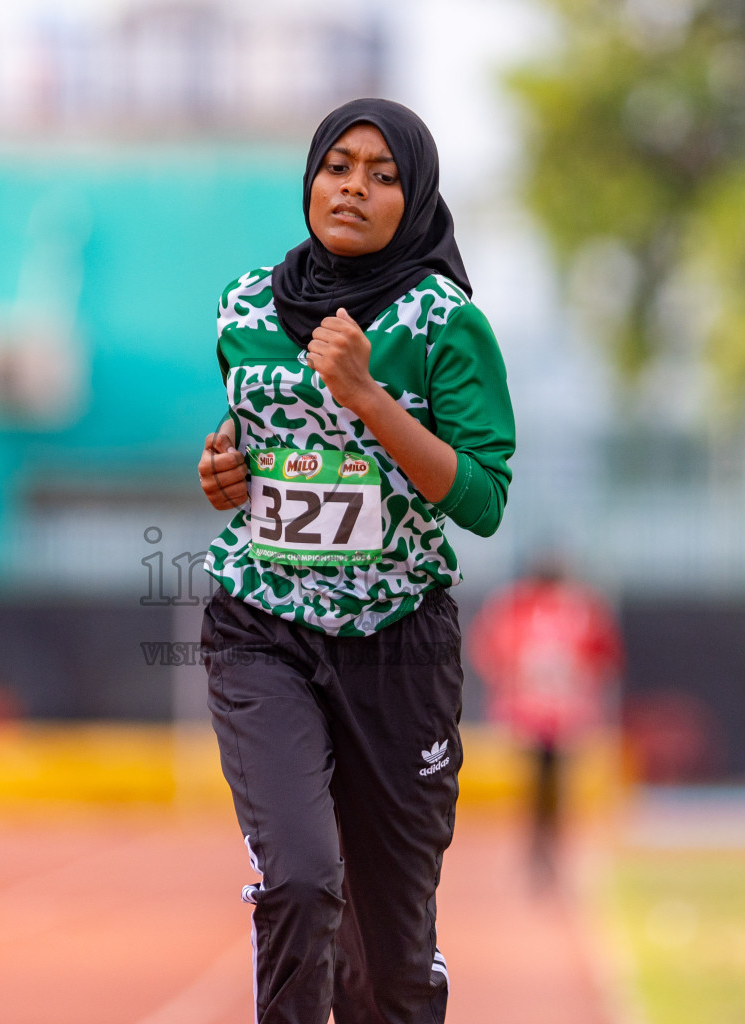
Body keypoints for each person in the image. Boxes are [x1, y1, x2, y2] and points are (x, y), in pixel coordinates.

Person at [194, 98, 515, 1024]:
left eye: (383, 175)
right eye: (339, 166)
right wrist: (224, 465)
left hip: (397, 643)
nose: (355, 188)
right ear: (310, 179)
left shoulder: (443, 323)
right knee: (297, 881)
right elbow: (256, 437)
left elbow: (483, 500)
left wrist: (368, 394)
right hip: (264, 628)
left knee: (392, 957)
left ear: (412, 200)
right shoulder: (246, 306)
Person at [468, 561, 622, 883]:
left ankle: (541, 846)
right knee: (552, 781)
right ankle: (546, 845)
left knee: (542, 780)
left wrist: (505, 687)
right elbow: (604, 655)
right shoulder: (578, 609)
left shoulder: (516, 607)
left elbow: (490, 650)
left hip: (534, 709)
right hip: (560, 709)